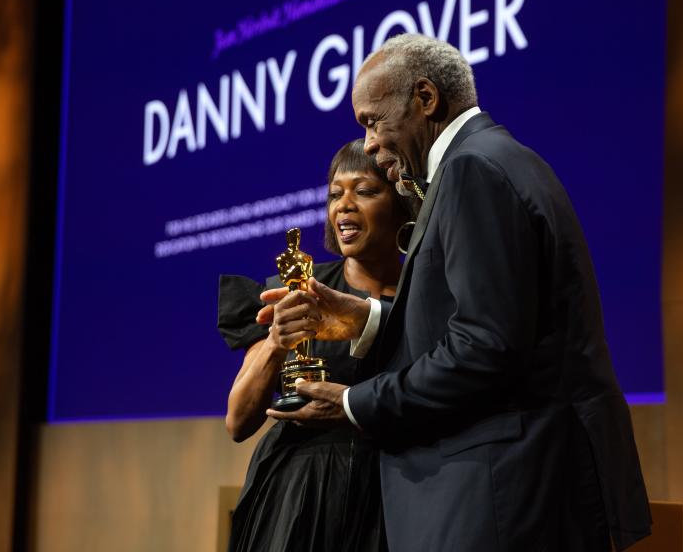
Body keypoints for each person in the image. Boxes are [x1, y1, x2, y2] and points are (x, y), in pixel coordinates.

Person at [262, 34, 653, 551]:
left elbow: (485, 347)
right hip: (508, 485)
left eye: (373, 122)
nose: (373, 148)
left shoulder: (473, 169)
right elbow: (482, 320)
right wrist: (368, 319)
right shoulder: (497, 158)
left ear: (426, 99)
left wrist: (354, 401)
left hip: (497, 492)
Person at [216, 139, 413, 552]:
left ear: (400, 204)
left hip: (397, 494)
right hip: (301, 497)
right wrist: (275, 340)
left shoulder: (423, 299)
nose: (344, 205)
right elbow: (238, 421)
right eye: (335, 194)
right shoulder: (297, 289)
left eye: (364, 191)